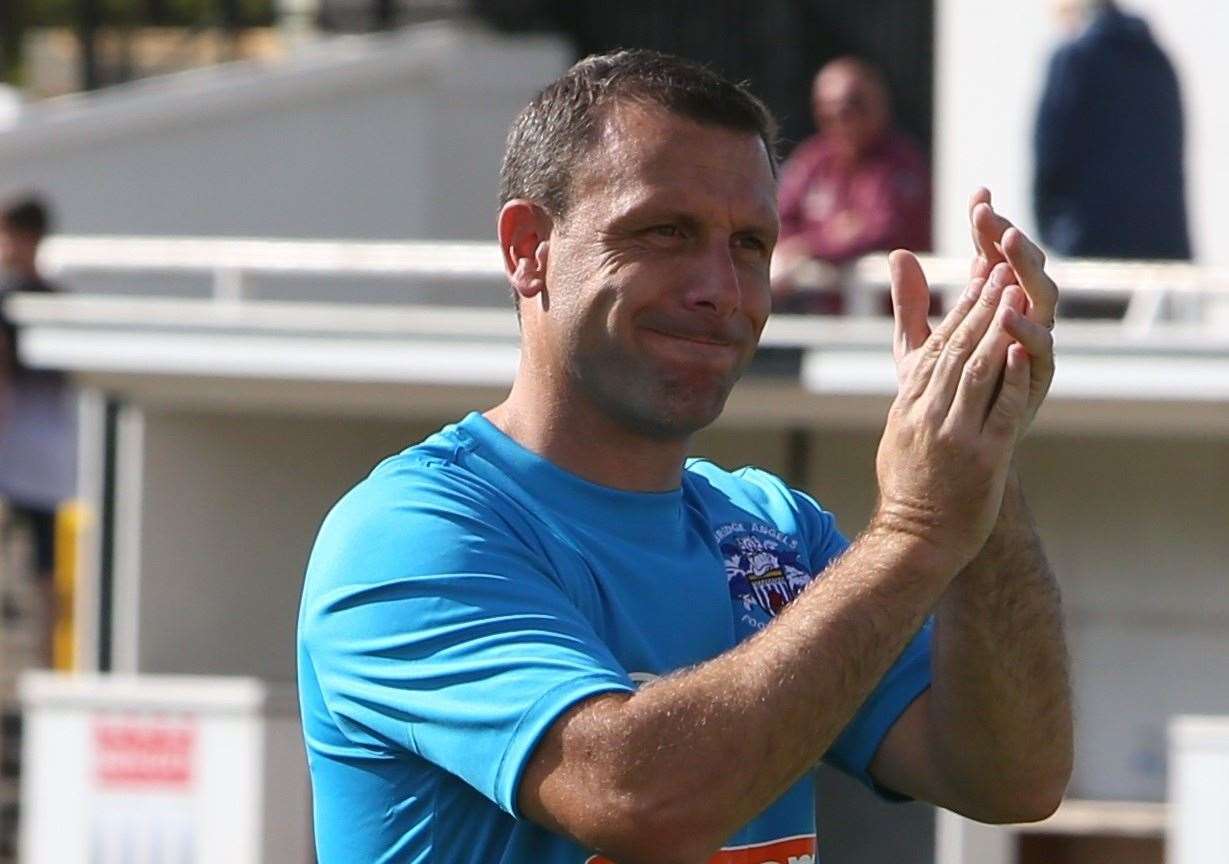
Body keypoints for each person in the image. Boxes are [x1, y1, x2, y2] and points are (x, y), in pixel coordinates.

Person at [298, 50, 1072, 864]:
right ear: (528, 247)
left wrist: (980, 448)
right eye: (664, 231)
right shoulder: (412, 532)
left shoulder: (774, 531)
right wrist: (917, 531)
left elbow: (1008, 780)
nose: (721, 289)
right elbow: (640, 800)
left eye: (749, 244)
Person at [1034, 0, 1189, 262]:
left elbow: (1051, 157)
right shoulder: (1156, 59)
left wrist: (1059, 234)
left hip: (1091, 251)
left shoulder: (1074, 59)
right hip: (1163, 252)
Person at [773, 57, 931, 314]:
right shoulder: (815, 159)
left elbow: (881, 231)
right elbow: (775, 218)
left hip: (894, 323)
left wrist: (810, 246)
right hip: (829, 323)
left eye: (853, 105)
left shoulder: (900, 163)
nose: (840, 117)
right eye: (827, 108)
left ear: (880, 104)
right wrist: (829, 235)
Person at [0, 195, 76, 589]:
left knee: (42, 574)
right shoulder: (58, 301)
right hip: (46, 465)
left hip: (21, 465)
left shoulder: (18, 301)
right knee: (43, 573)